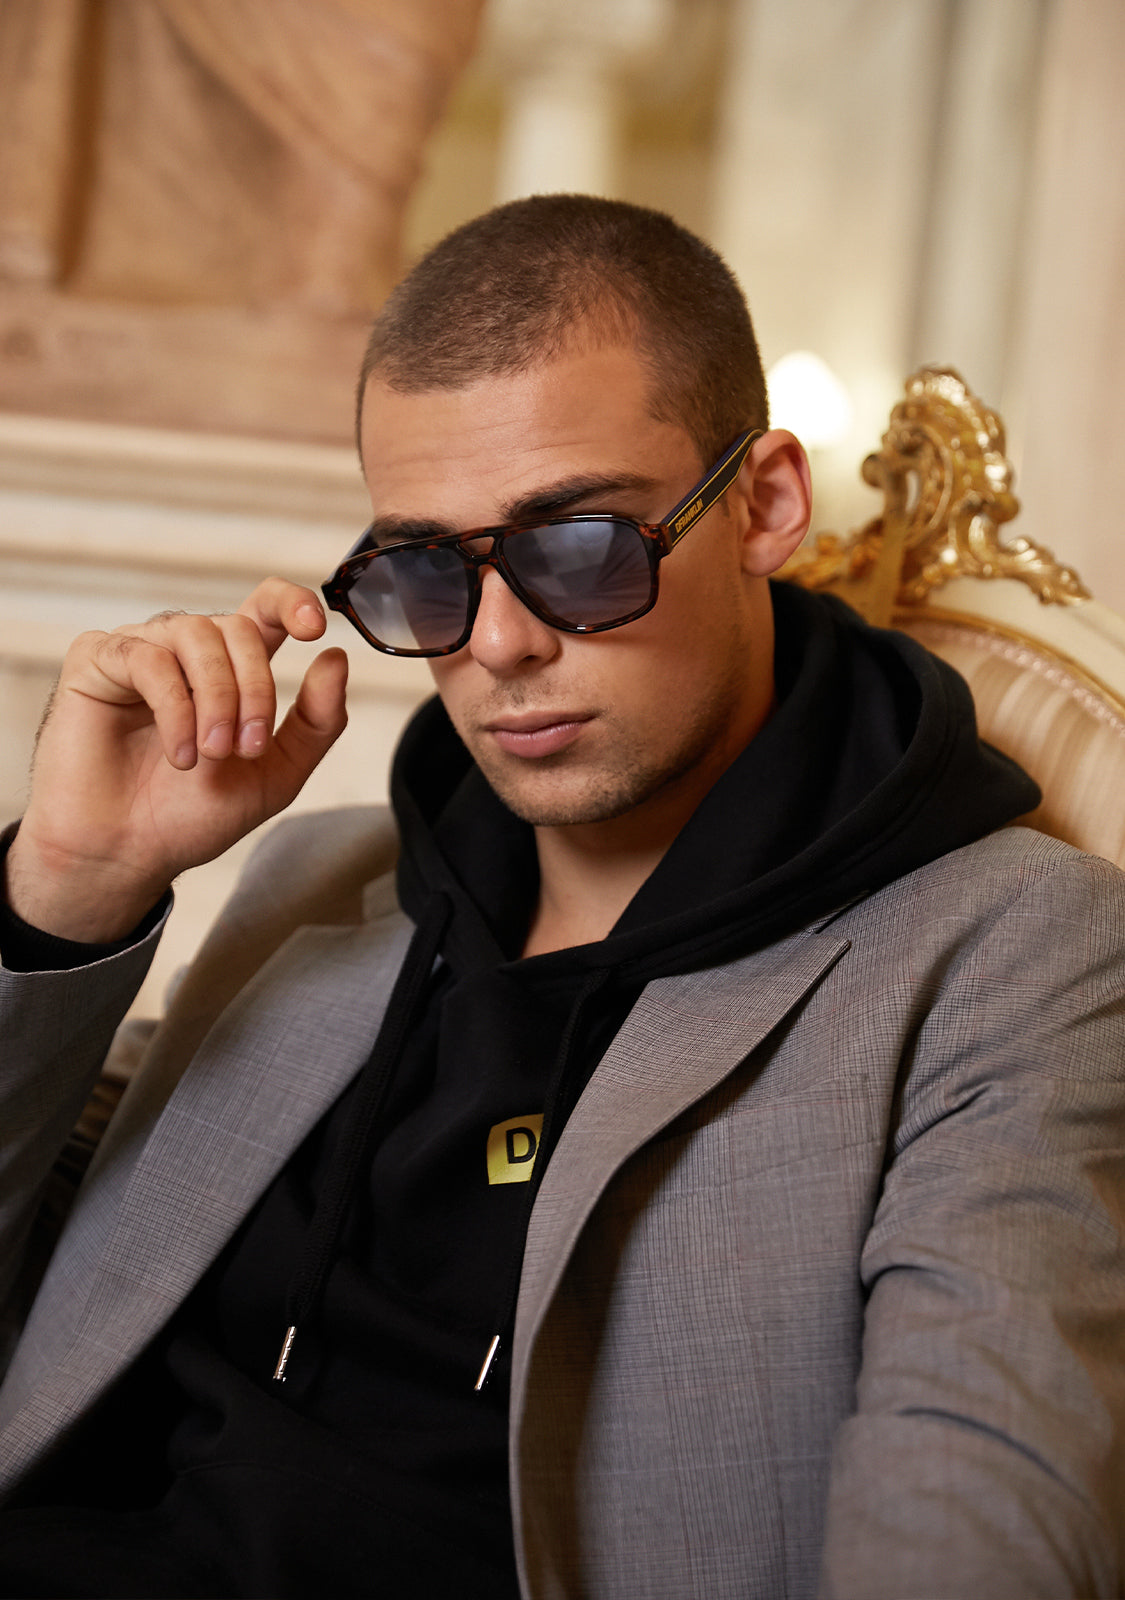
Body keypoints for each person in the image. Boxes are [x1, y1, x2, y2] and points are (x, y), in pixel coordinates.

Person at [1, 194, 1123, 1599]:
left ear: (766, 503)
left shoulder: (1017, 959)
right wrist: (69, 894)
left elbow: (980, 1536)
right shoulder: (318, 880)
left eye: (580, 546)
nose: (498, 645)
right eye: (426, 570)